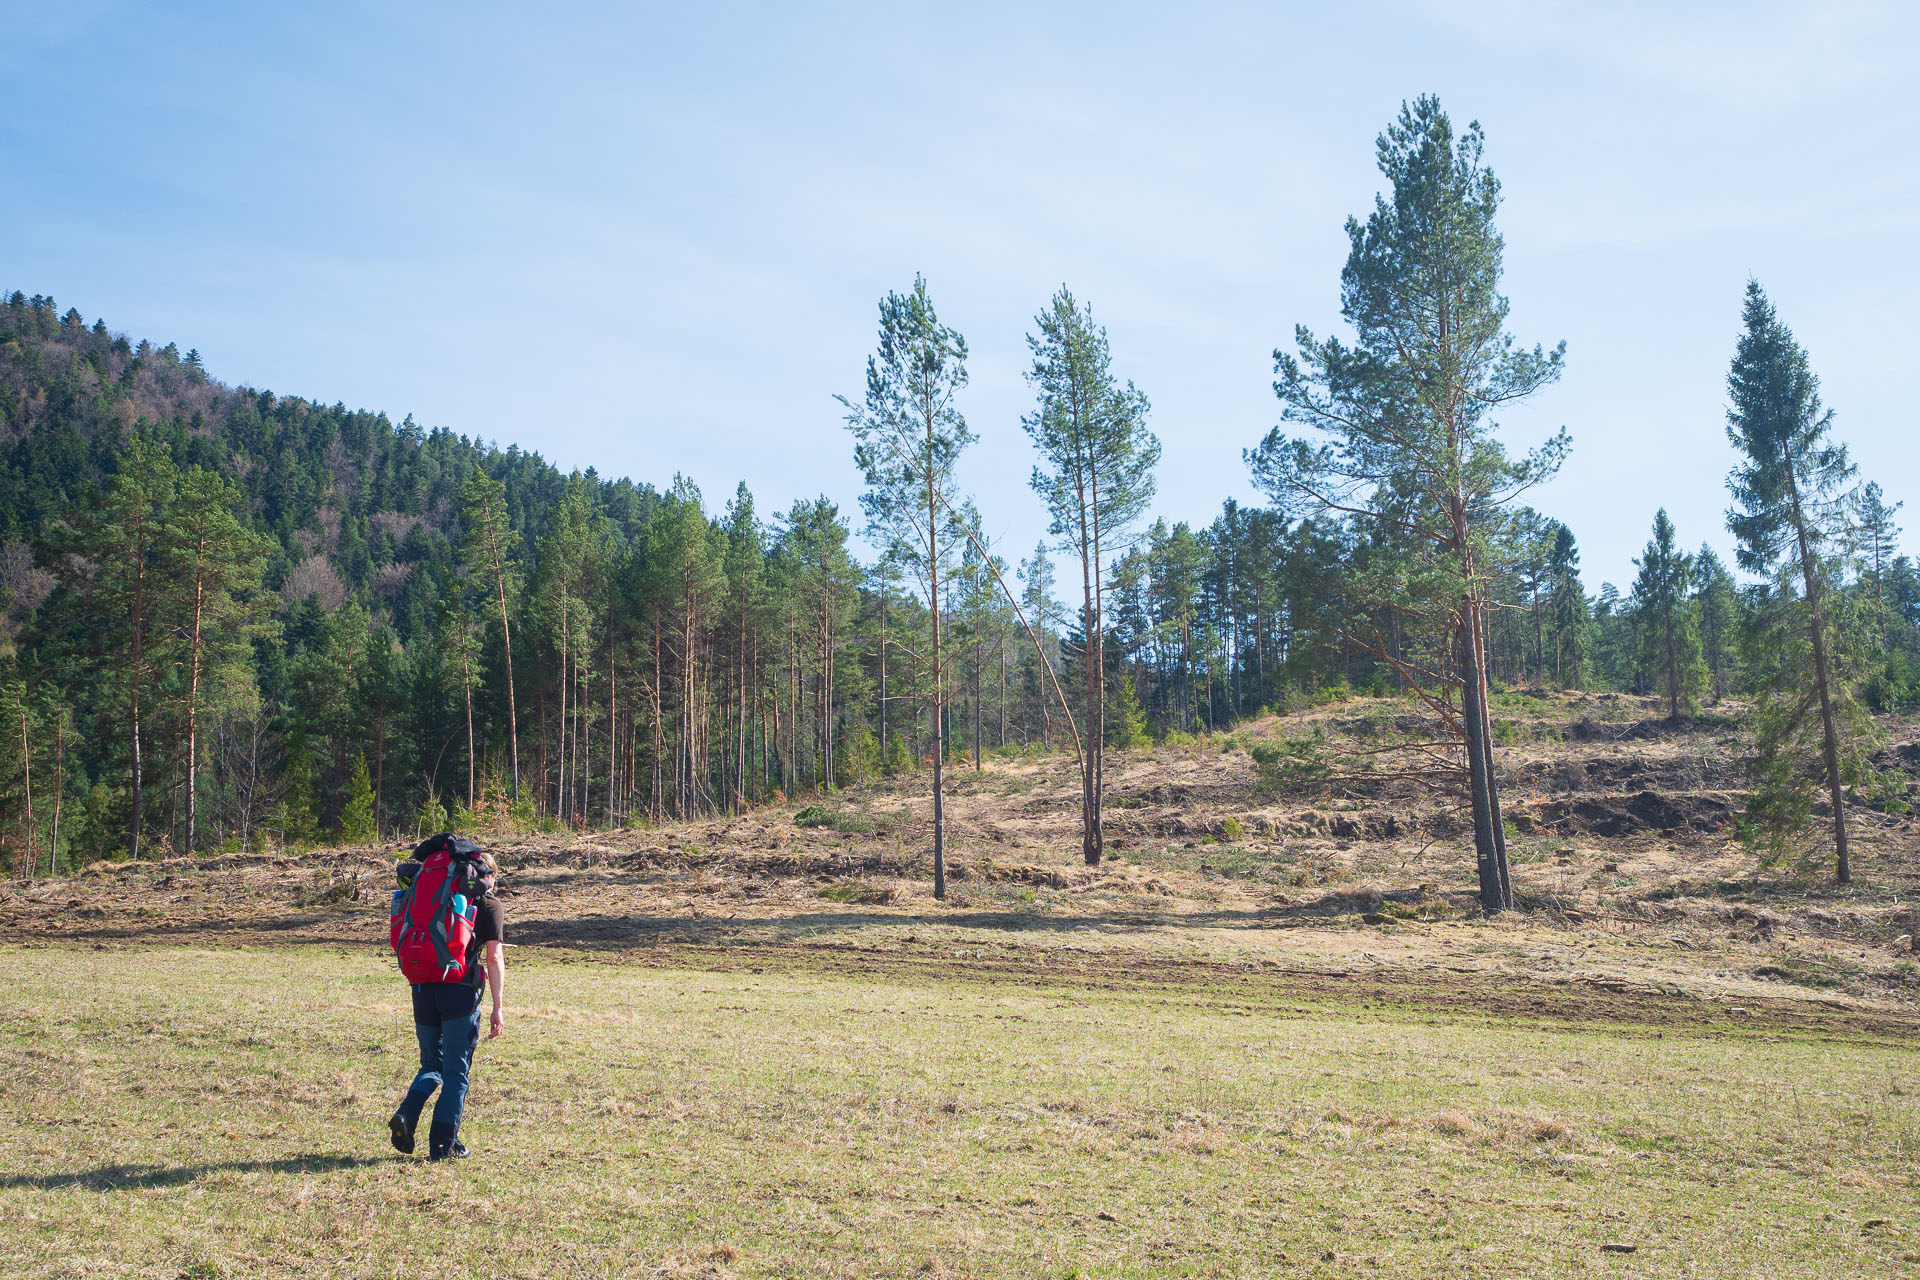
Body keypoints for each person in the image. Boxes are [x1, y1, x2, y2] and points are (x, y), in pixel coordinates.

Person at [388, 838, 506, 1161]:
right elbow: (494, 958)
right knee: (456, 1072)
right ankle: (442, 1145)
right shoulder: (490, 905)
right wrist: (498, 1006)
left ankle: (406, 1115)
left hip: (422, 986)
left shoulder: (434, 890)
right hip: (459, 990)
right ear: (486, 876)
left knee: (431, 1064)